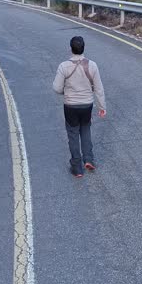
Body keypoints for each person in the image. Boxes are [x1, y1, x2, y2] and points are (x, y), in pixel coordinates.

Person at [52, 36, 106, 178]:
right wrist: (101, 106)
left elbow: (57, 88)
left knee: (73, 134)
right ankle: (88, 159)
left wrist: (68, 91)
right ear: (83, 48)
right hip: (87, 104)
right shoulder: (92, 65)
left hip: (70, 106)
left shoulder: (63, 66)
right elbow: (99, 88)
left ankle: (77, 167)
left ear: (70, 49)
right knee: (86, 130)